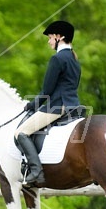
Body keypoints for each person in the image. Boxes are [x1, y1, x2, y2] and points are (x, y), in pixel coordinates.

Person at [14, 20, 81, 189]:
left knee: (21, 132)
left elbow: (47, 90)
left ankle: (36, 171)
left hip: (57, 106)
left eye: (51, 37)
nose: (49, 41)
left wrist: (32, 105)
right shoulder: (74, 59)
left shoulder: (57, 59)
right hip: (73, 105)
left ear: (60, 37)